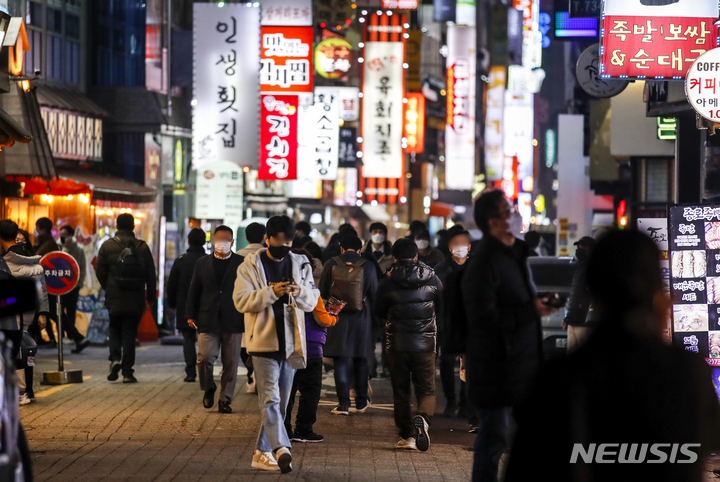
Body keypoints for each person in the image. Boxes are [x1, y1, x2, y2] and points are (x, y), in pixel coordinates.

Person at [505, 230, 720, 482]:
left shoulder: (557, 379)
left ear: (591, 292)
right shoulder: (686, 372)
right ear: (659, 295)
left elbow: (524, 469)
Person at [462, 190, 550, 482]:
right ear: (493, 222)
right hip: (495, 366)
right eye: (507, 211)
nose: (514, 214)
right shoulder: (484, 262)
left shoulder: (514, 255)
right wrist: (531, 311)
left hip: (520, 365)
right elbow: (483, 319)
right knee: (493, 439)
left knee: (516, 440)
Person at [233, 215, 319, 473]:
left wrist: (298, 291)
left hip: (292, 342)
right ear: (267, 240)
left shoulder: (301, 263)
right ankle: (282, 448)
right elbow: (241, 301)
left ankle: (261, 452)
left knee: (281, 403)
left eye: (288, 244)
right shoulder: (250, 265)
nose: (284, 248)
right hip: (262, 343)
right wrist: (273, 292)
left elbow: (313, 300)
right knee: (269, 399)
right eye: (279, 243)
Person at [374, 238, 442, 451]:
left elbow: (378, 312)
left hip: (397, 345)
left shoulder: (386, 281)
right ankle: (423, 418)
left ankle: (407, 436)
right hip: (425, 345)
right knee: (427, 390)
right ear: (416, 255)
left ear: (394, 258)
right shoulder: (432, 279)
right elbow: (441, 306)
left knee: (401, 391)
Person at [187, 226, 245, 413]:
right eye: (219, 239)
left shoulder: (241, 263)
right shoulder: (202, 262)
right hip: (208, 317)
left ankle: (225, 399)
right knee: (204, 358)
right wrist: (190, 314)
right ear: (212, 241)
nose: (222, 243)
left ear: (232, 242)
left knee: (230, 362)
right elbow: (195, 289)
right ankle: (208, 387)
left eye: (226, 239)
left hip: (233, 318)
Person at [284, 248, 338, 443]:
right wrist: (333, 318)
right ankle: (303, 429)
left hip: (290, 345)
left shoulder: (282, 287)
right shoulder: (311, 291)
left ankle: (284, 428)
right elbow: (323, 319)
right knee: (310, 391)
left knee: (288, 390)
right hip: (312, 347)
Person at [95, 213, 157, 383]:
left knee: (114, 328)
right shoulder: (142, 247)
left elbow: (99, 271)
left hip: (114, 296)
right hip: (135, 296)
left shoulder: (107, 246)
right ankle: (128, 372)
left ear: (117, 226)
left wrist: (108, 286)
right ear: (133, 227)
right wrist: (151, 297)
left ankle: (115, 359)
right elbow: (151, 275)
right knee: (129, 333)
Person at [321, 234, 378, 415]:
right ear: (360, 249)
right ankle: (361, 402)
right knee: (361, 360)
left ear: (341, 247)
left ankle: (343, 404)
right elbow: (375, 292)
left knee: (341, 360)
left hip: (337, 317)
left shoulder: (331, 263)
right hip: (361, 318)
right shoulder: (367, 265)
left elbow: (322, 290)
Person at [0, 219, 50, 405]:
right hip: (28, 314)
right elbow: (42, 291)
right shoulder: (34, 262)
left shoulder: (4, 263)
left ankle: (17, 392)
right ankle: (24, 391)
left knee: (11, 353)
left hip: (8, 316)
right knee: (24, 351)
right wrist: (43, 313)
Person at [434, 226, 472, 419]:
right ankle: (451, 401)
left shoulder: (476, 269)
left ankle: (465, 403)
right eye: (456, 245)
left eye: (463, 244)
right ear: (450, 248)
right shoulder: (440, 271)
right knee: (447, 362)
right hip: (446, 322)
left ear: (469, 246)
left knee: (468, 364)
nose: (460, 248)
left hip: (469, 324)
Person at [166, 228, 206, 382]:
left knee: (188, 339)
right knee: (206, 339)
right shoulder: (208, 259)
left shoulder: (181, 260)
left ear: (188, 241)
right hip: (205, 307)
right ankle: (205, 369)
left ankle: (190, 372)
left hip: (185, 306)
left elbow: (172, 285)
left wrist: (172, 304)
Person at [58, 225, 90, 354]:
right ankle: (66, 335)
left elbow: (82, 267)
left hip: (73, 285)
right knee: (59, 311)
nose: (63, 236)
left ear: (71, 235)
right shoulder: (59, 248)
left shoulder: (79, 250)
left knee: (70, 311)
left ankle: (72, 336)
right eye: (61, 234)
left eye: (65, 234)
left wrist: (80, 282)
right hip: (60, 287)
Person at [563, 236, 597, 352]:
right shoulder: (589, 267)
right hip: (584, 320)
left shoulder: (586, 269)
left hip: (580, 321)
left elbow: (577, 294)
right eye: (578, 247)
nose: (579, 250)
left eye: (582, 247)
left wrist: (569, 317)